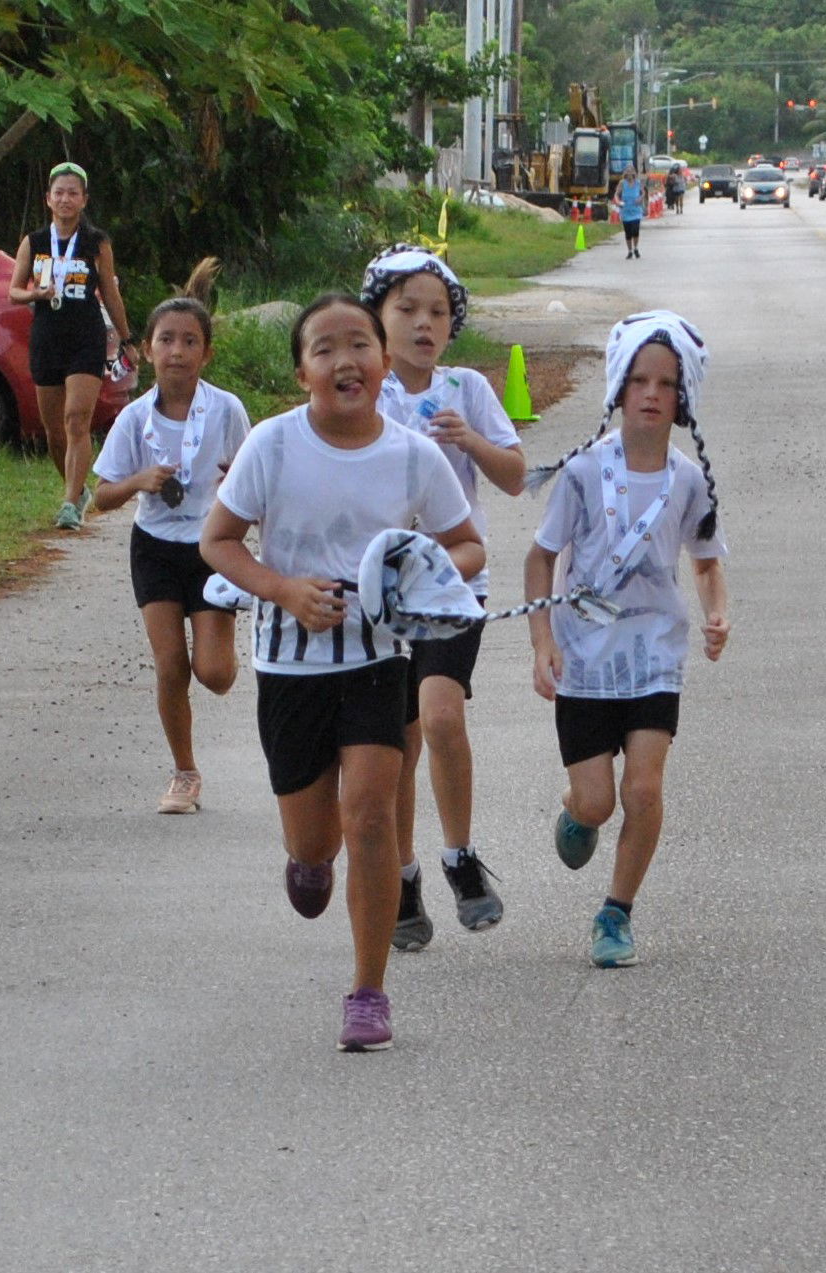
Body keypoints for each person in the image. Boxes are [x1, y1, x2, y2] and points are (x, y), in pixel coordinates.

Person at [200, 293, 484, 1052]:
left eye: (359, 344)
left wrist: (413, 582)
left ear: (384, 363)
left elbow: (467, 545)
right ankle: (307, 859)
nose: (344, 360)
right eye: (323, 349)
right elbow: (218, 541)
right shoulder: (272, 445)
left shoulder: (413, 456)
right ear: (302, 373)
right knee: (315, 841)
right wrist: (283, 590)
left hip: (376, 663)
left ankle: (368, 992)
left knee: (371, 815)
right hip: (289, 670)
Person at [524, 310, 729, 969]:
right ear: (618, 388)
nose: (650, 394)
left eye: (665, 383)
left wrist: (716, 613)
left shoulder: (689, 480)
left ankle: (615, 912)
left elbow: (705, 560)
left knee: (642, 790)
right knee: (598, 800)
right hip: (585, 660)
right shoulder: (583, 472)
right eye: (638, 380)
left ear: (682, 395)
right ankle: (576, 812)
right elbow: (540, 557)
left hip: (653, 657)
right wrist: (541, 642)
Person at [360, 245, 526, 951]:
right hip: (378, 592)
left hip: (455, 581)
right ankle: (402, 878)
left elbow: (515, 476)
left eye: (438, 312)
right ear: (377, 315)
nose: (424, 324)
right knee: (396, 740)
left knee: (439, 715)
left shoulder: (467, 389)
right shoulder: (360, 388)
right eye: (407, 309)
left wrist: (471, 442)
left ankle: (460, 857)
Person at [91, 261, 249, 814]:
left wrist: (237, 489)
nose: (176, 351)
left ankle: (223, 642)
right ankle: (184, 773)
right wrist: (138, 480)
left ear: (207, 354)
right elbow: (100, 497)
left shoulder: (227, 410)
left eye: (189, 341)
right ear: (146, 350)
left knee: (215, 675)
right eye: (165, 340)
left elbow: (252, 478)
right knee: (170, 665)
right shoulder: (134, 419)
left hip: (212, 547)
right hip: (154, 547)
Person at [9, 161, 137, 530]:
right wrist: (36, 294)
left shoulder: (96, 242)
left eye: (73, 193)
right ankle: (77, 489)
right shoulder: (34, 242)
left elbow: (110, 292)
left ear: (84, 200)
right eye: (59, 193)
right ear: (48, 199)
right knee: (54, 431)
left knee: (76, 419)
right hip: (47, 337)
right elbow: (14, 290)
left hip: (85, 337)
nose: (66, 199)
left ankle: (68, 504)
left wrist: (127, 339)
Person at [612, 164, 645, 259]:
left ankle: (636, 248)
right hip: (626, 210)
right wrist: (618, 201)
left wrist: (640, 198)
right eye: (627, 171)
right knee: (628, 232)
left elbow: (643, 192)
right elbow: (616, 194)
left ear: (634, 173)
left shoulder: (638, 183)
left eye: (631, 171)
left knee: (635, 230)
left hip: (636, 210)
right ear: (625, 173)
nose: (629, 173)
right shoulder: (622, 183)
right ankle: (630, 251)